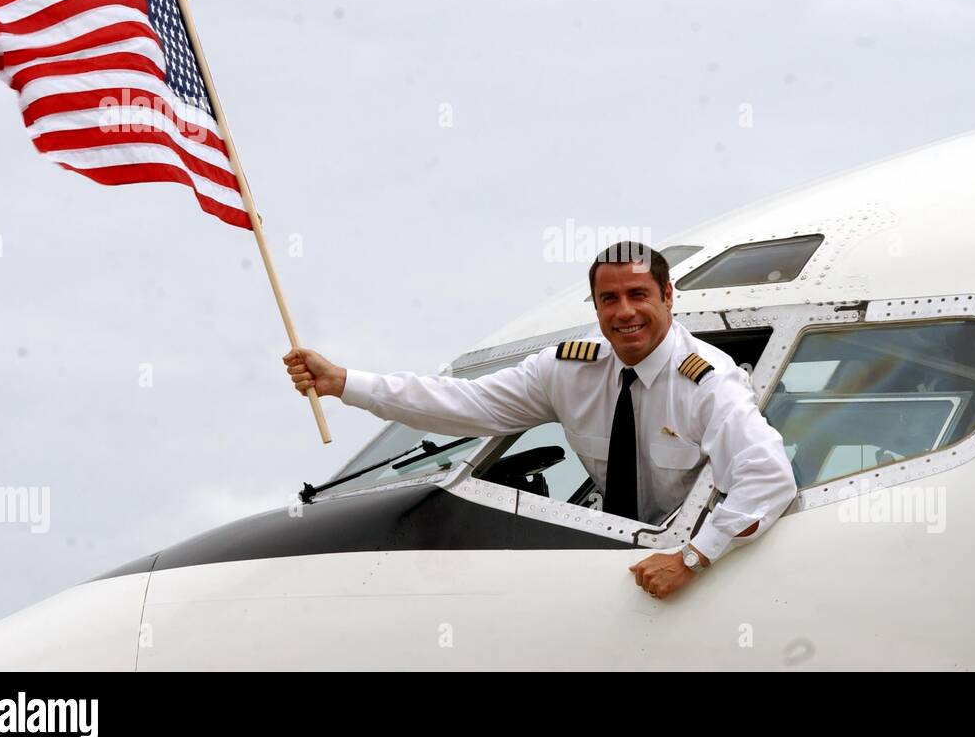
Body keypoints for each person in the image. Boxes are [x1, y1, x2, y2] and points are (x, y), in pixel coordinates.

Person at [283, 242, 797, 600]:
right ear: (595, 306)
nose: (625, 313)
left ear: (668, 297)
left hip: (679, 568)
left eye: (639, 296)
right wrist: (346, 383)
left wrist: (690, 559)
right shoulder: (570, 370)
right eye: (609, 299)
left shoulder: (706, 382)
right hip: (606, 560)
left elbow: (767, 481)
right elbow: (461, 405)